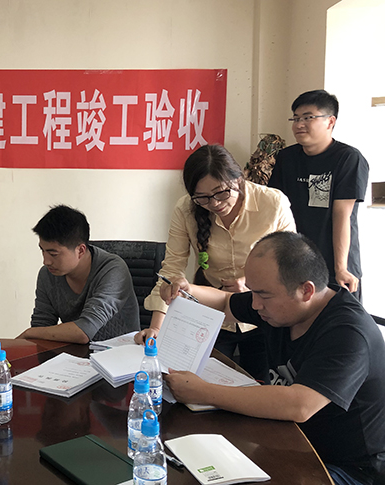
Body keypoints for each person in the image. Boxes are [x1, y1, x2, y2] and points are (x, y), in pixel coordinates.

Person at [162, 232, 385, 485]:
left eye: (263, 295)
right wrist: (188, 291)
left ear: (306, 290)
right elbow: (225, 302)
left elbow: (300, 405)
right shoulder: (281, 308)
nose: (255, 304)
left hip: (348, 468)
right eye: (253, 292)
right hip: (291, 440)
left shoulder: (348, 333)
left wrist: (203, 392)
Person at [139, 144, 295, 381]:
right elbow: (171, 270)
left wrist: (249, 283)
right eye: (202, 197)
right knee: (204, 382)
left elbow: (289, 262)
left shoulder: (272, 203)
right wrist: (157, 328)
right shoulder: (186, 209)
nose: (214, 203)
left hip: (263, 313)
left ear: (238, 178)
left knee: (260, 386)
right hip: (211, 315)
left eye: (221, 193)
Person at [268, 90, 369, 300]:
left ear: (330, 121)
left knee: (337, 317)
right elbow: (276, 208)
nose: (299, 124)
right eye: (295, 118)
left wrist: (341, 268)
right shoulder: (286, 158)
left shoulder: (348, 158)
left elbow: (342, 214)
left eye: (308, 117)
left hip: (334, 262)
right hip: (295, 261)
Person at [18, 205, 140, 344]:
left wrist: (29, 333)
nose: (46, 261)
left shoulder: (113, 270)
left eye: (53, 254)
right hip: (74, 354)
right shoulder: (47, 274)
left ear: (81, 250)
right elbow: (41, 328)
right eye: (42, 251)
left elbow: (85, 330)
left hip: (118, 353)